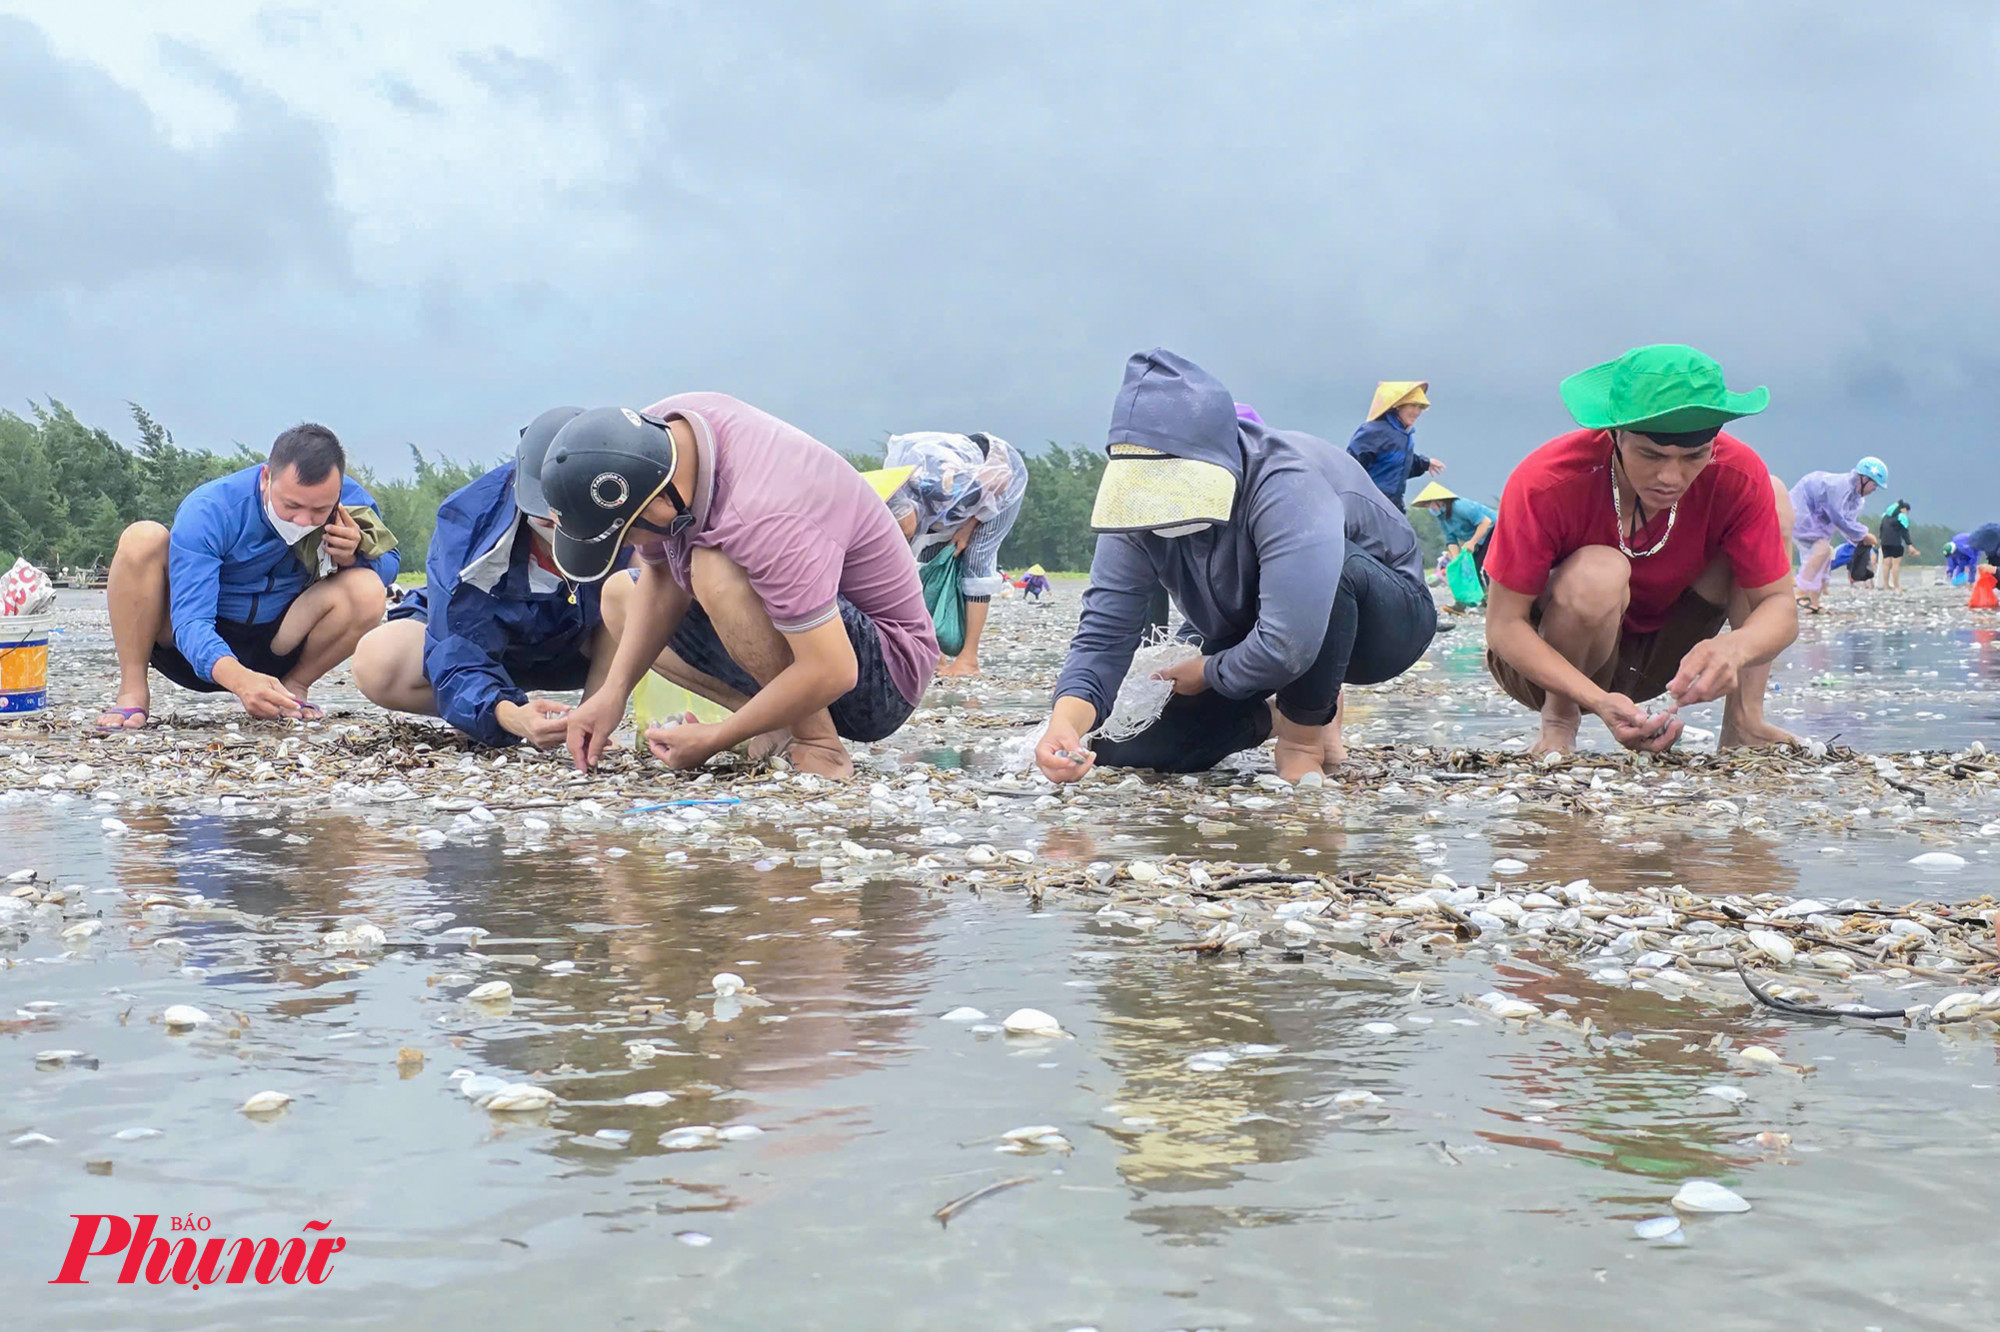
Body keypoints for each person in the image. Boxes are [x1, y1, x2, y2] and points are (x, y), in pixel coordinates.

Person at [1035, 349, 1437, 784]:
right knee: (1127, 748)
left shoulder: (1287, 481)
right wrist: (1068, 721)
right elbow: (1104, 634)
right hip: (1247, 625)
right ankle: (1272, 717)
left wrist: (1210, 671)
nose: (1159, 502)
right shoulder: (1133, 506)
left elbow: (1289, 642)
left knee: (1332, 576)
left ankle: (1303, 737)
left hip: (1380, 621)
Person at [545, 398, 937, 780]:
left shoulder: (761, 512)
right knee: (620, 594)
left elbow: (834, 670)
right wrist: (613, 693)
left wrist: (715, 738)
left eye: (627, 536)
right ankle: (776, 726)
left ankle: (819, 744)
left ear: (662, 505)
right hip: (804, 643)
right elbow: (662, 579)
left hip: (884, 675)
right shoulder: (656, 443)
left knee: (714, 566)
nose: (631, 547)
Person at [1482, 344, 1799, 756]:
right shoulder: (1546, 482)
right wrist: (1592, 700)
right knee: (1600, 572)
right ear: (1615, 434)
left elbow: (1780, 608)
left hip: (1661, 656)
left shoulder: (1735, 474)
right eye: (1650, 454)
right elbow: (1504, 626)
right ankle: (1559, 723)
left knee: (1771, 495)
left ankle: (1745, 722)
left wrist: (1733, 649)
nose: (1670, 477)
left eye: (1693, 456)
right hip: (1551, 667)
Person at [94, 424, 398, 730]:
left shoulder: (350, 499)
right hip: (188, 644)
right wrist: (239, 679)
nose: (304, 521)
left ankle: (294, 688)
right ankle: (132, 689)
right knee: (141, 538)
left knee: (367, 589)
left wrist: (353, 556)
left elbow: (390, 566)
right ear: (266, 478)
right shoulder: (212, 509)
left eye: (319, 510)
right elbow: (190, 621)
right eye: (291, 505)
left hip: (280, 639)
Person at [351, 407, 623, 747]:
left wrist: (596, 711)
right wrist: (508, 715)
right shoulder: (469, 522)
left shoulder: (629, 495)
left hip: (579, 644)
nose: (561, 525)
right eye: (549, 518)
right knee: (378, 661)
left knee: (633, 589)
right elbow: (456, 649)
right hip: (485, 642)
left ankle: (594, 716)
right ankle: (487, 708)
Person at [881, 431, 1028, 678]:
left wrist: (969, 526)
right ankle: (935, 655)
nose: (906, 535)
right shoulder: (894, 495)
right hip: (959, 497)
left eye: (905, 529)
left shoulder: (946, 486)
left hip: (1003, 479)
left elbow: (1001, 479)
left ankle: (969, 659)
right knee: (930, 558)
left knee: (977, 557)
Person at [1789, 457, 1887, 613]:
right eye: (1874, 485)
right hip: (1802, 509)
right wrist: (1863, 534)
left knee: (1824, 557)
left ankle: (1813, 603)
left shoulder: (1857, 499)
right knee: (1821, 550)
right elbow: (1838, 518)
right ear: (1863, 479)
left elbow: (1848, 522)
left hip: (1819, 517)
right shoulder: (1840, 487)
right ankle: (1801, 590)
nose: (1873, 490)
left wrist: (1860, 539)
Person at [1346, 380, 1443, 510]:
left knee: (1404, 531)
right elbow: (1352, 465)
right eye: (1413, 405)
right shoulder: (1373, 431)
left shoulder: (1405, 435)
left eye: (1420, 407)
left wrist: (1425, 463)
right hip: (1370, 504)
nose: (1417, 411)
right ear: (1398, 406)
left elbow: (1399, 464)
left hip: (1393, 504)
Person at [1411, 481, 1496, 585]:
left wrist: (1472, 542)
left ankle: (1491, 596)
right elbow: (1451, 539)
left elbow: (1485, 522)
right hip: (1480, 539)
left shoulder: (1461, 506)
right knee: (1472, 569)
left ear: (1439, 500)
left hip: (1494, 531)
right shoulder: (1442, 517)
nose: (1429, 507)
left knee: (1484, 567)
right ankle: (1479, 598)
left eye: (1430, 503)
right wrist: (1456, 560)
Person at [1877, 500, 1919, 590]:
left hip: (1884, 542)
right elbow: (1905, 532)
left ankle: (1886, 586)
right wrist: (1910, 544)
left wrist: (1881, 540)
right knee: (1896, 564)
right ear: (1903, 509)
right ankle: (1896, 585)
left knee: (1886, 564)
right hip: (1895, 542)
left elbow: (1881, 529)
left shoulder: (1885, 516)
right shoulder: (1901, 517)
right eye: (1907, 511)